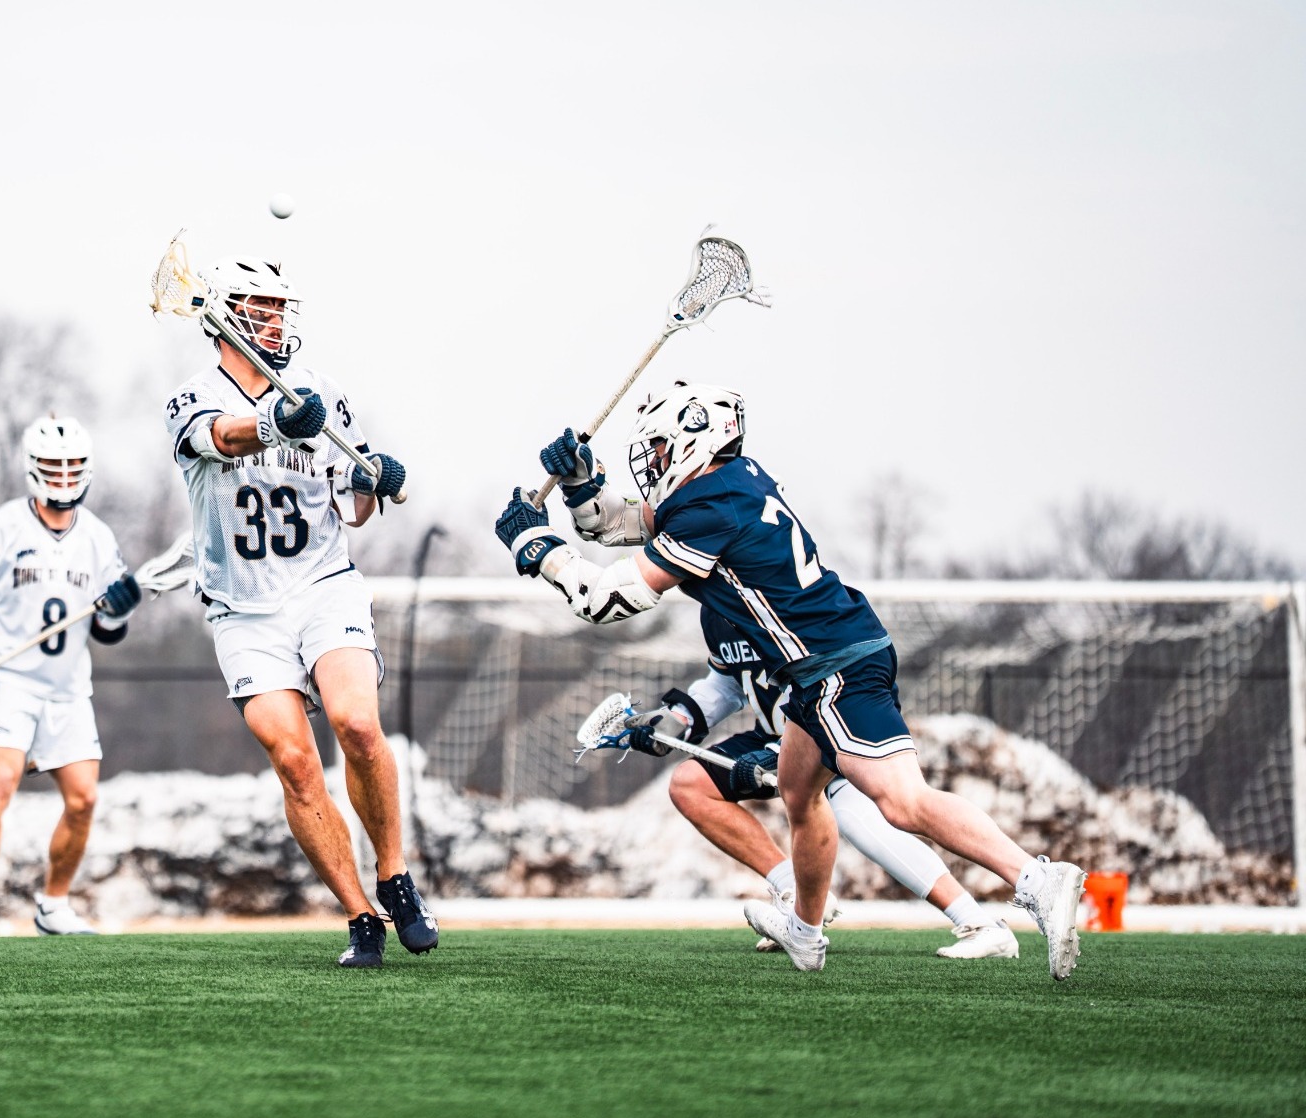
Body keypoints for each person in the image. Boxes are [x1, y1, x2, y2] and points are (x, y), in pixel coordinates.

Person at [497, 383, 1085, 978]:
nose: (653, 459)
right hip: (824, 665)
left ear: (695, 440)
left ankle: (1036, 880)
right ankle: (805, 932)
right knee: (800, 793)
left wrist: (532, 544)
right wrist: (580, 483)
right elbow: (621, 524)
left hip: (833, 666)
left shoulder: (709, 508)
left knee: (902, 803)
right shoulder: (727, 486)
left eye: (660, 446)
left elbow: (605, 599)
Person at [161, 256, 436, 967]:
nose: (277, 320)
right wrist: (277, 422)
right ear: (223, 316)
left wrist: (377, 478)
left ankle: (396, 874)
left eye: (282, 307)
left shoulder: (321, 391)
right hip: (242, 609)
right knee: (292, 758)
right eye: (261, 306)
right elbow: (223, 437)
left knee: (358, 724)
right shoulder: (189, 398)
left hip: (323, 587)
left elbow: (352, 498)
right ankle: (360, 915)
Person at [597, 602, 1017, 959]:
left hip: (832, 724)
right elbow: (728, 683)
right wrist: (677, 722)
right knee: (690, 785)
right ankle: (793, 895)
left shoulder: (783, 595)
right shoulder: (717, 606)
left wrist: (781, 753)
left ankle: (980, 923)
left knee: (867, 820)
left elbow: (822, 680)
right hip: (778, 732)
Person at [0, 416, 141, 938]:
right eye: (54, 465)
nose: (64, 476)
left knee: (83, 799)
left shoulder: (97, 538)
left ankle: (54, 905)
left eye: (73, 466)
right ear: (32, 467)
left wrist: (117, 610)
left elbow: (108, 632)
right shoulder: (1, 528)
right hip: (8, 680)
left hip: (67, 687)